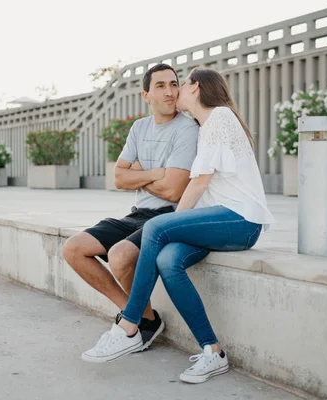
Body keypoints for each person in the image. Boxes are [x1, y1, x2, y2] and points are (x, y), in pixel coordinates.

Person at [81, 67, 275, 384]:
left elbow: (197, 185)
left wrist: (171, 221)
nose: (175, 91)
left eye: (180, 84)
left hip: (241, 220)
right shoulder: (203, 125)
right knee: (168, 260)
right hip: (216, 220)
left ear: (195, 88)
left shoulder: (219, 117)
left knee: (159, 227)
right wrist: (174, 221)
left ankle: (129, 325)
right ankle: (213, 352)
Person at [63, 63, 199, 353]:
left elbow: (174, 189)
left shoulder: (187, 128)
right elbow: (118, 177)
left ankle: (133, 321)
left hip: (170, 216)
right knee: (73, 248)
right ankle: (141, 316)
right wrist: (155, 173)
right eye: (160, 86)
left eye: (174, 84)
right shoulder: (140, 127)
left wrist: (138, 172)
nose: (170, 92)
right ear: (146, 95)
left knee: (120, 255)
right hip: (138, 214)